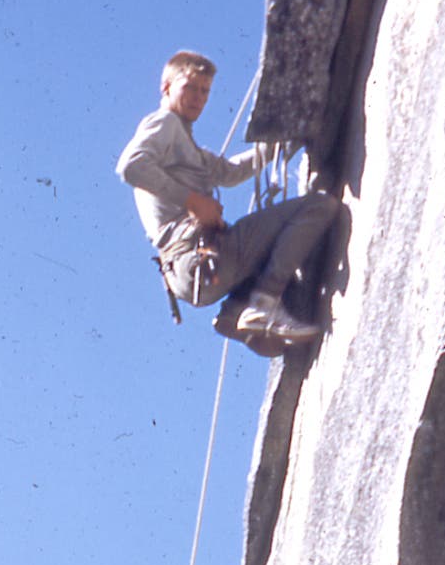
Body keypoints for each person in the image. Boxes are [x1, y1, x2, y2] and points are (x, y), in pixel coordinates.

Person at [117, 50, 340, 347]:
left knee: (273, 249)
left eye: (204, 91)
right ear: (167, 87)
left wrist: (284, 144)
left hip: (192, 270)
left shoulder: (188, 146)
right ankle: (263, 301)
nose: (198, 98)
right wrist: (193, 201)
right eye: (190, 88)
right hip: (195, 256)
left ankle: (236, 311)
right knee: (318, 206)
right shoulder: (164, 123)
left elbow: (230, 172)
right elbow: (131, 166)